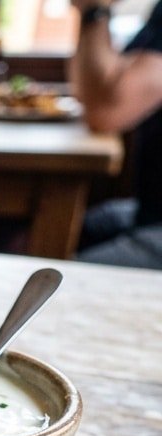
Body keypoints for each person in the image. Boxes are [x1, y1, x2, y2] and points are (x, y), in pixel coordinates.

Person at [70, 0, 162, 269]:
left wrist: (95, 10)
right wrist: (92, 13)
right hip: (147, 210)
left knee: (59, 282)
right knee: (59, 231)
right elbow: (89, 92)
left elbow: (106, 112)